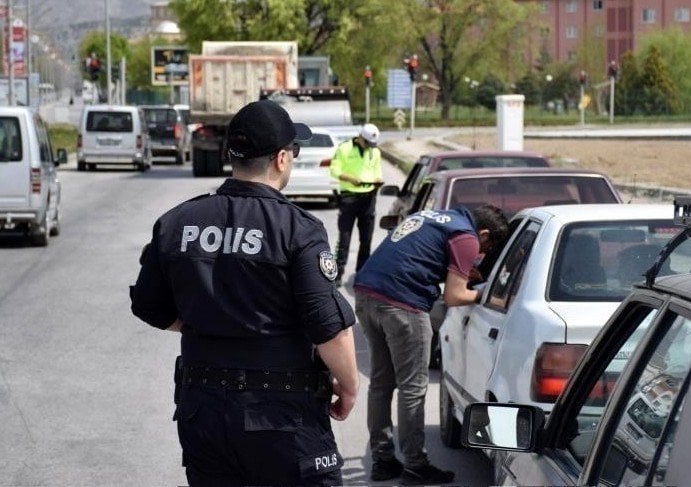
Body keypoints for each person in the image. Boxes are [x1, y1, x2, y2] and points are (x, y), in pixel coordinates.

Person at [129, 99, 359, 487]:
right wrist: (349, 387)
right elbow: (328, 327)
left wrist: (205, 324)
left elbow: (148, 304)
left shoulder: (176, 222)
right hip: (282, 417)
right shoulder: (298, 229)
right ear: (282, 159)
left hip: (202, 411)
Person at [353, 204, 509, 484]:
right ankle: (415, 465)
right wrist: (485, 295)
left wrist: (455, 271)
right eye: (486, 246)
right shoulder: (466, 236)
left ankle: (383, 460)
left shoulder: (434, 217)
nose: (481, 254)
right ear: (483, 233)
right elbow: (454, 296)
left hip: (367, 296)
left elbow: (417, 257)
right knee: (412, 387)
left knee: (381, 382)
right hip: (403, 305)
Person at [329, 123, 383, 285]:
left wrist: (378, 180)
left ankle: (362, 272)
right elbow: (335, 170)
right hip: (349, 198)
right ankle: (338, 274)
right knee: (344, 237)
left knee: (366, 239)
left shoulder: (375, 151)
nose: (369, 147)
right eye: (367, 143)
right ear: (360, 137)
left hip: (368, 197)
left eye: (371, 144)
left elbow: (377, 171)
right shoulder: (344, 149)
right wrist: (350, 178)